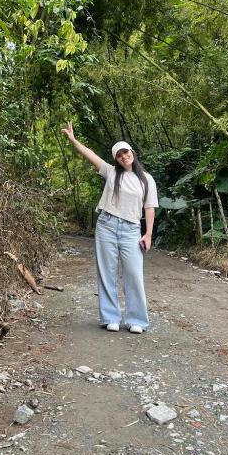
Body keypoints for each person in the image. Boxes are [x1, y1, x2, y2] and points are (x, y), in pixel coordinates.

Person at [61, 122, 158, 333]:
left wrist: (148, 235)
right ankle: (110, 317)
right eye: (119, 155)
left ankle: (137, 320)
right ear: (116, 159)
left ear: (132, 152)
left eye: (126, 152)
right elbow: (90, 154)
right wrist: (73, 139)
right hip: (107, 225)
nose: (124, 157)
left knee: (133, 274)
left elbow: (149, 208)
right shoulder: (111, 172)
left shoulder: (147, 180)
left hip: (132, 230)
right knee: (107, 272)